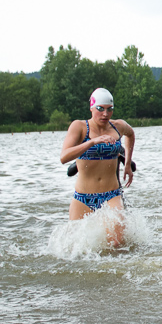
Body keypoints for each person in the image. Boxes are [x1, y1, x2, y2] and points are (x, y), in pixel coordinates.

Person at [59, 88, 136, 247]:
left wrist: (127, 163)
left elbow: (131, 134)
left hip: (111, 195)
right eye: (100, 109)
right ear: (91, 107)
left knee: (117, 244)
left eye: (109, 109)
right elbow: (64, 157)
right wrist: (92, 142)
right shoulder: (80, 127)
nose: (105, 114)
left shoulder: (118, 126)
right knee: (74, 248)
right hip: (83, 197)